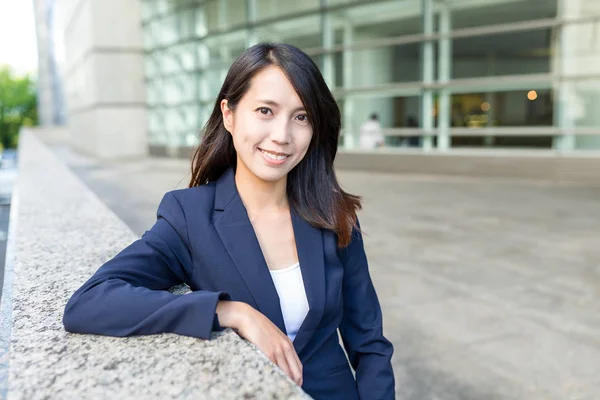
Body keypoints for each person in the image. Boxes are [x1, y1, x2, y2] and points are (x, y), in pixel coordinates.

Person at [63, 43, 395, 400]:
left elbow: (370, 343)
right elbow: (90, 302)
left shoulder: (333, 214)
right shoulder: (190, 217)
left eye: (302, 117)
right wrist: (229, 311)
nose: (282, 135)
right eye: (266, 110)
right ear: (230, 114)